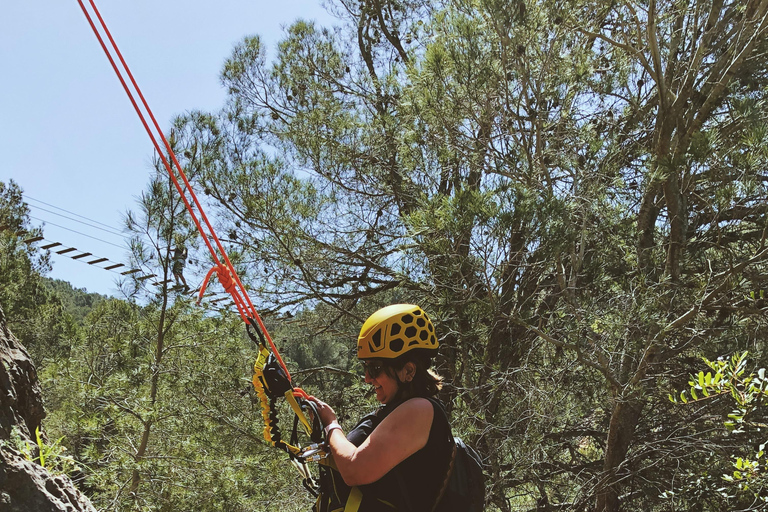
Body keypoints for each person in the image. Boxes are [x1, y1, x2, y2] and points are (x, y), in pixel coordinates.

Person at [310, 304, 453, 512]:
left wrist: (331, 424)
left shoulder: (420, 409)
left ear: (408, 370)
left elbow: (354, 469)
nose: (368, 378)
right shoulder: (398, 410)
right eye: (365, 367)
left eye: (375, 368)